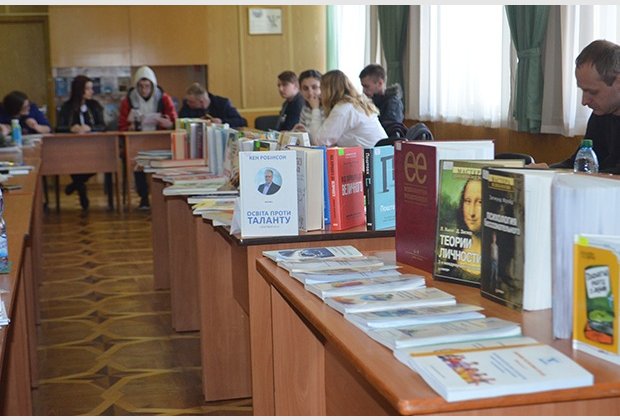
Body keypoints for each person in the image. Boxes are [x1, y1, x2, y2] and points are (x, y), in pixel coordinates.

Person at [551, 40, 620, 173]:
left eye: (592, 92)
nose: (584, 101)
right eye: (583, 90)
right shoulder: (600, 114)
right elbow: (580, 164)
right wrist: (544, 171)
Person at [118, 66, 177, 210]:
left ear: (153, 85)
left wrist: (169, 124)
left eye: (147, 86)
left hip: (159, 140)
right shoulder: (128, 100)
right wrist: (130, 127)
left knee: (161, 164)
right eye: (140, 86)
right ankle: (143, 197)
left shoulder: (163, 98)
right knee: (137, 163)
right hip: (137, 140)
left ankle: (161, 196)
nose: (144, 90)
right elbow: (121, 125)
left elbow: (175, 121)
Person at [56, 75, 107, 211]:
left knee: (101, 162)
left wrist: (90, 128)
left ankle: (76, 185)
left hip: (94, 147)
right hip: (71, 148)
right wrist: (71, 129)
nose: (91, 91)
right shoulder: (66, 107)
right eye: (88, 89)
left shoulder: (95, 106)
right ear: (80, 90)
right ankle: (81, 190)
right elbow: (58, 127)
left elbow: (103, 125)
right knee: (74, 162)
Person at [308, 69, 387, 148]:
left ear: (328, 91)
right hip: (383, 151)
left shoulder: (343, 109)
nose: (320, 94)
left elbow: (319, 141)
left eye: (321, 89)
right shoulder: (355, 104)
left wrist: (315, 109)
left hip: (370, 154)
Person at [178, 82, 247, 127]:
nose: (188, 103)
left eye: (191, 102)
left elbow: (242, 121)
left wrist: (222, 122)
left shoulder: (222, 103)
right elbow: (180, 122)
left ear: (201, 102)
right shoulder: (187, 106)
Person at [359, 64, 404, 130]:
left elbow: (391, 131)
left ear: (380, 83)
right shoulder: (370, 101)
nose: (364, 91)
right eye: (363, 86)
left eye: (366, 86)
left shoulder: (393, 104)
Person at [292, 69, 326, 141]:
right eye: (305, 88)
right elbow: (304, 136)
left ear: (322, 88)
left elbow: (321, 139)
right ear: (300, 91)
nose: (310, 92)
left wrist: (315, 109)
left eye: (314, 87)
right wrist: (296, 132)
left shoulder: (328, 108)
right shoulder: (305, 109)